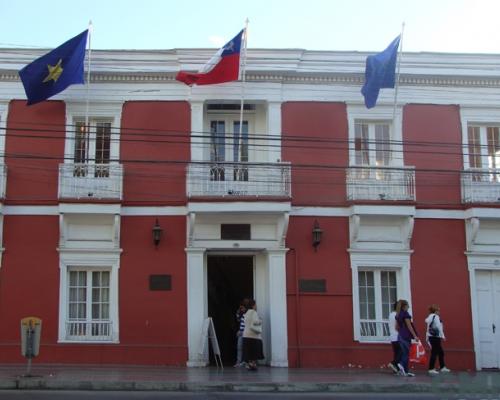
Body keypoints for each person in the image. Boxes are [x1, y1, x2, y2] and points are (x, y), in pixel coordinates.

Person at [425, 304, 451, 375]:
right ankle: (431, 368)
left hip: (431, 337)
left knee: (440, 352)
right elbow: (439, 326)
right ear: (435, 311)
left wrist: (427, 337)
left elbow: (428, 328)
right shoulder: (436, 317)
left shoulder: (430, 317)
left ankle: (442, 367)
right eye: (438, 310)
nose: (439, 312)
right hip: (436, 337)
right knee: (434, 352)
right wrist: (443, 336)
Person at [396, 299, 419, 377]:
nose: (409, 307)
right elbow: (409, 327)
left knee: (404, 352)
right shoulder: (406, 314)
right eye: (408, 305)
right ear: (404, 306)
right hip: (406, 336)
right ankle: (401, 364)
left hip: (400, 335)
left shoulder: (398, 314)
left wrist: (401, 331)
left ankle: (405, 371)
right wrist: (415, 336)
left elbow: (396, 327)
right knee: (406, 353)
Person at [242, 299, 264, 371]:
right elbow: (255, 322)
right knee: (254, 352)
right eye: (255, 304)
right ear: (253, 305)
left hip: (246, 335)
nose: (256, 306)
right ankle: (253, 364)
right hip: (253, 336)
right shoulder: (254, 312)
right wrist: (260, 321)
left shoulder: (246, 313)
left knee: (249, 352)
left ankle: (250, 364)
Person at [234, 298, 249, 367]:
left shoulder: (249, 313)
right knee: (239, 347)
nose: (241, 309)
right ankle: (239, 362)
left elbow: (248, 324)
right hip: (241, 332)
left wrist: (241, 331)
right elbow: (239, 321)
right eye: (241, 308)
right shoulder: (241, 314)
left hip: (246, 333)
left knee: (245, 348)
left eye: (242, 308)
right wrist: (238, 313)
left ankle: (245, 361)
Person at [387, 301, 401, 374]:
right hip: (397, 336)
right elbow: (397, 327)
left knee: (396, 353)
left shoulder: (391, 314)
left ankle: (396, 369)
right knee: (401, 352)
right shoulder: (397, 315)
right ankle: (393, 363)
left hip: (392, 336)